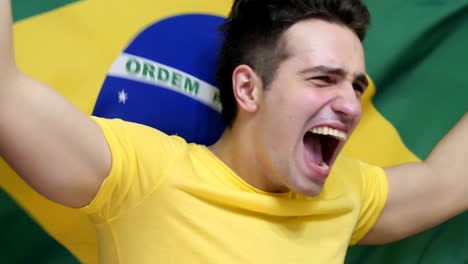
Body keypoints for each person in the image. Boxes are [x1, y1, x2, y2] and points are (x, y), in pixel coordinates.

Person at [0, 0, 467, 263]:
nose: (350, 104)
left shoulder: (345, 194)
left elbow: (445, 180)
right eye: (323, 79)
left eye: (356, 85)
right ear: (248, 88)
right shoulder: (147, 175)